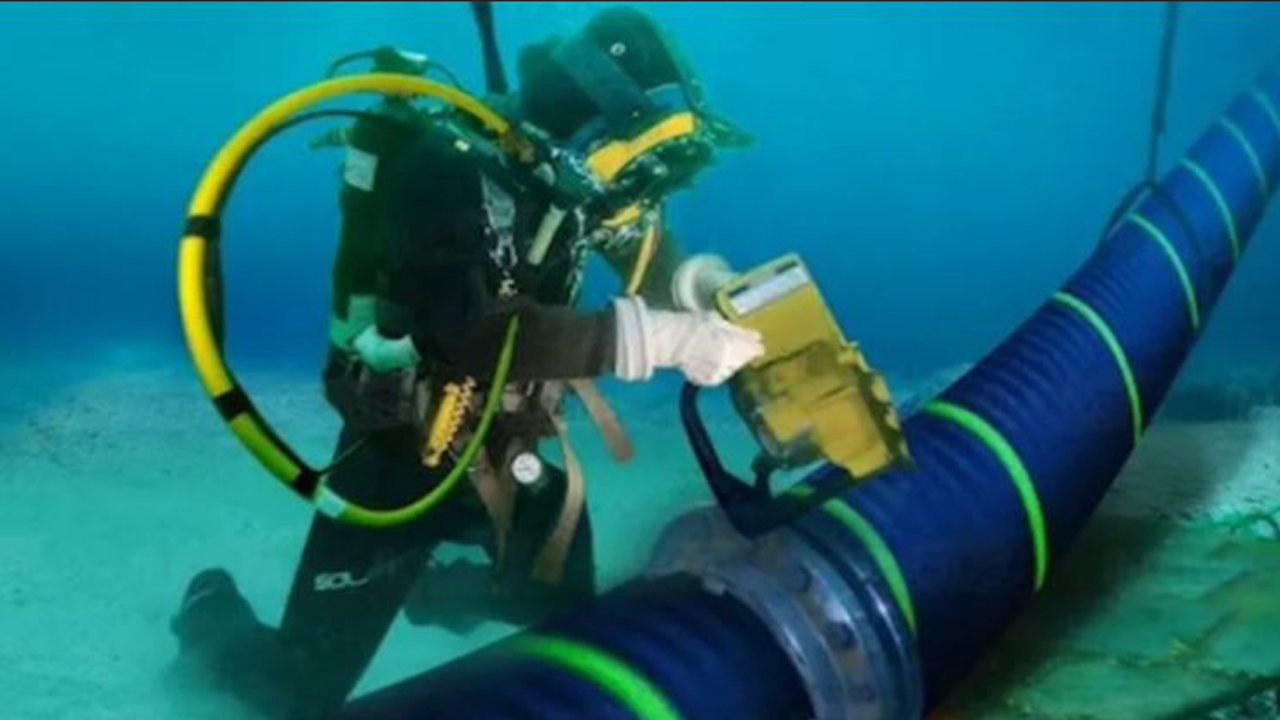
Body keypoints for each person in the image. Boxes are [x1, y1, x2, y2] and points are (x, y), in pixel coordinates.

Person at [168, 7, 763, 719]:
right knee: (294, 693)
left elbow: (636, 242)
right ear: (587, 120)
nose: (629, 187)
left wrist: (697, 285)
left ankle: (437, 590)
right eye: (629, 159)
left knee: (564, 614)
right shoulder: (441, 170)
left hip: (510, 452)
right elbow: (474, 336)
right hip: (396, 464)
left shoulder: (571, 186)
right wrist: (666, 341)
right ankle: (211, 616)